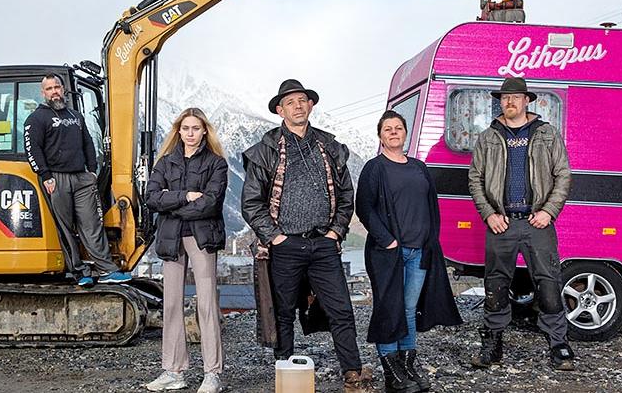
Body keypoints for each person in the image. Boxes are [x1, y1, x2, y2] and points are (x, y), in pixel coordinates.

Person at [242, 79, 373, 391]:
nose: (297, 106)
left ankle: (352, 370)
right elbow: (251, 202)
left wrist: (336, 232)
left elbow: (346, 196)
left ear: (311, 105)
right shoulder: (266, 150)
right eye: (290, 102)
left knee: (341, 309)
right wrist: (276, 237)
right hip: (285, 245)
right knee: (283, 312)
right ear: (280, 110)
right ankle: (285, 372)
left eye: (302, 100)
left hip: (323, 244)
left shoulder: (330, 147)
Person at [467, 77, 574, 371]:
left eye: (515, 97)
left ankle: (559, 345)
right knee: (495, 285)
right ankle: (492, 346)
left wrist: (549, 211)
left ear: (527, 100)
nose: (510, 102)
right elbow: (475, 179)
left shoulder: (546, 133)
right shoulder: (488, 137)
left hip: (537, 222)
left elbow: (563, 174)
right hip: (500, 224)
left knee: (549, 284)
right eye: (505, 98)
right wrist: (489, 213)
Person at [356, 110, 463, 392]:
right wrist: (387, 241)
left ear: (405, 133)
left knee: (408, 308)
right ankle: (391, 373)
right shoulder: (374, 168)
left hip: (419, 252)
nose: (393, 132)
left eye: (398, 128)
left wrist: (431, 241)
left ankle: (407, 366)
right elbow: (364, 208)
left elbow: (431, 206)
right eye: (387, 128)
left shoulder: (419, 167)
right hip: (388, 253)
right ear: (380, 136)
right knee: (389, 307)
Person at [144, 108, 228, 393]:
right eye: (186, 128)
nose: (190, 133)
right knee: (171, 305)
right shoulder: (165, 162)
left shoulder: (216, 163)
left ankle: (212, 373)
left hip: (202, 238)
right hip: (171, 239)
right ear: (178, 131)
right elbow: (151, 198)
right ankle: (173, 371)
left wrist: (172, 204)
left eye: (195, 128)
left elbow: (211, 203)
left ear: (204, 131)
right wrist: (185, 196)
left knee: (206, 305)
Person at [24, 73, 131, 286]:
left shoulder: (76, 116)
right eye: (49, 89)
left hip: (82, 178)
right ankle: (80, 272)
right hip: (56, 179)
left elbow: (88, 143)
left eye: (57, 87)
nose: (54, 92)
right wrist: (45, 175)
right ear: (43, 93)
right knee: (66, 228)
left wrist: (92, 171)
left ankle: (107, 270)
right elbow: (32, 149)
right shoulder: (36, 119)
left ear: (63, 89)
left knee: (92, 224)